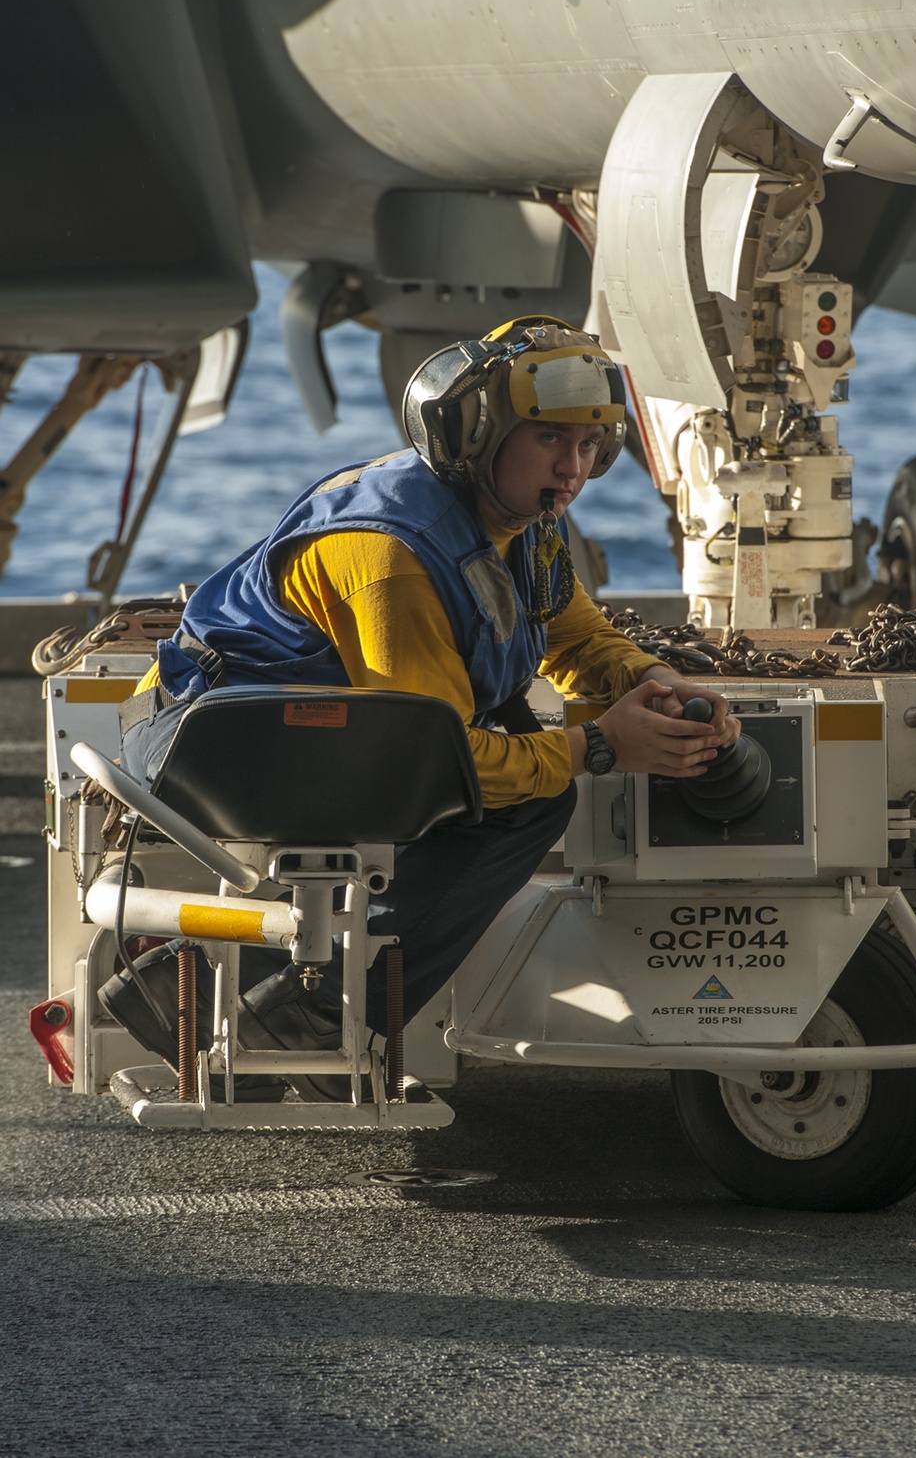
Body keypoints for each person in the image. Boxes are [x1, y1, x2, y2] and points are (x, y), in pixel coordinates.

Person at [102, 316, 739, 1100]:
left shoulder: (524, 519)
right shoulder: (395, 554)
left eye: (589, 447)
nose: (573, 469)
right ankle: (314, 1015)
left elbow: (574, 635)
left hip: (283, 730)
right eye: (549, 440)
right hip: (211, 741)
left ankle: (268, 1001)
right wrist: (600, 748)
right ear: (477, 430)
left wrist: (654, 678)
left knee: (521, 763)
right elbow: (443, 759)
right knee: (524, 796)